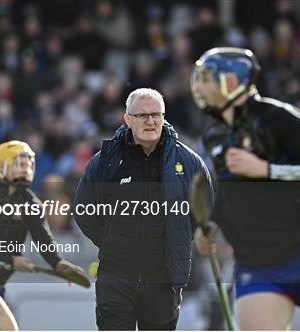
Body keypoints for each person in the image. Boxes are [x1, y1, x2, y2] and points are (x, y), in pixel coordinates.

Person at [190, 47, 300, 330]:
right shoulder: (214, 132)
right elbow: (229, 191)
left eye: (206, 78)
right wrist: (211, 223)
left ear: (232, 81)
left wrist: (267, 170)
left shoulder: (276, 117)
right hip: (255, 264)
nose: (197, 86)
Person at [74, 88, 211, 330]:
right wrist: (110, 241)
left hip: (163, 278)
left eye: (156, 115)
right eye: (143, 115)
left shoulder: (188, 161)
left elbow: (204, 209)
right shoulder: (105, 161)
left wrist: (177, 237)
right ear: (128, 119)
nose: (150, 121)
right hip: (115, 275)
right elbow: (84, 209)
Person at [0, 140, 84, 331]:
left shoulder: (31, 203)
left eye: (28, 164)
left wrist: (58, 263)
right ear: (1, 165)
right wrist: (11, 261)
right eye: (19, 164)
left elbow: (43, 238)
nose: (25, 169)